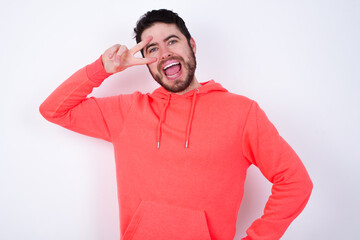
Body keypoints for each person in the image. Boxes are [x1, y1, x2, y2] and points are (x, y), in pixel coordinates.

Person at [40, 9, 313, 240]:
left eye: (172, 41)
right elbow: (54, 110)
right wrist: (102, 68)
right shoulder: (127, 111)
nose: (165, 53)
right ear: (146, 61)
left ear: (191, 45)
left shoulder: (242, 113)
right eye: (152, 49)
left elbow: (295, 182)